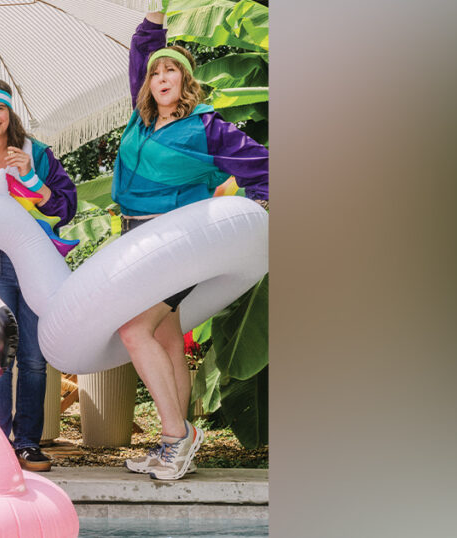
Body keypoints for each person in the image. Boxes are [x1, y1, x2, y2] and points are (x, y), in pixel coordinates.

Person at [117, 9, 269, 480]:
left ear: (186, 84)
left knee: (134, 330)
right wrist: (153, 18)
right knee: (165, 336)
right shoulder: (141, 123)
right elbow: (142, 49)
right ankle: (171, 443)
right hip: (136, 238)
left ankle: (177, 438)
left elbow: (261, 165)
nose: (162, 76)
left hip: (177, 243)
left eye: (172, 71)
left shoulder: (207, 127)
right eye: (156, 71)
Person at [0, 79, 77, 472]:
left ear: (10, 113)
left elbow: (66, 206)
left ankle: (27, 443)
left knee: (35, 359)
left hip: (38, 262)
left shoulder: (36, 153)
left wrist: (32, 179)